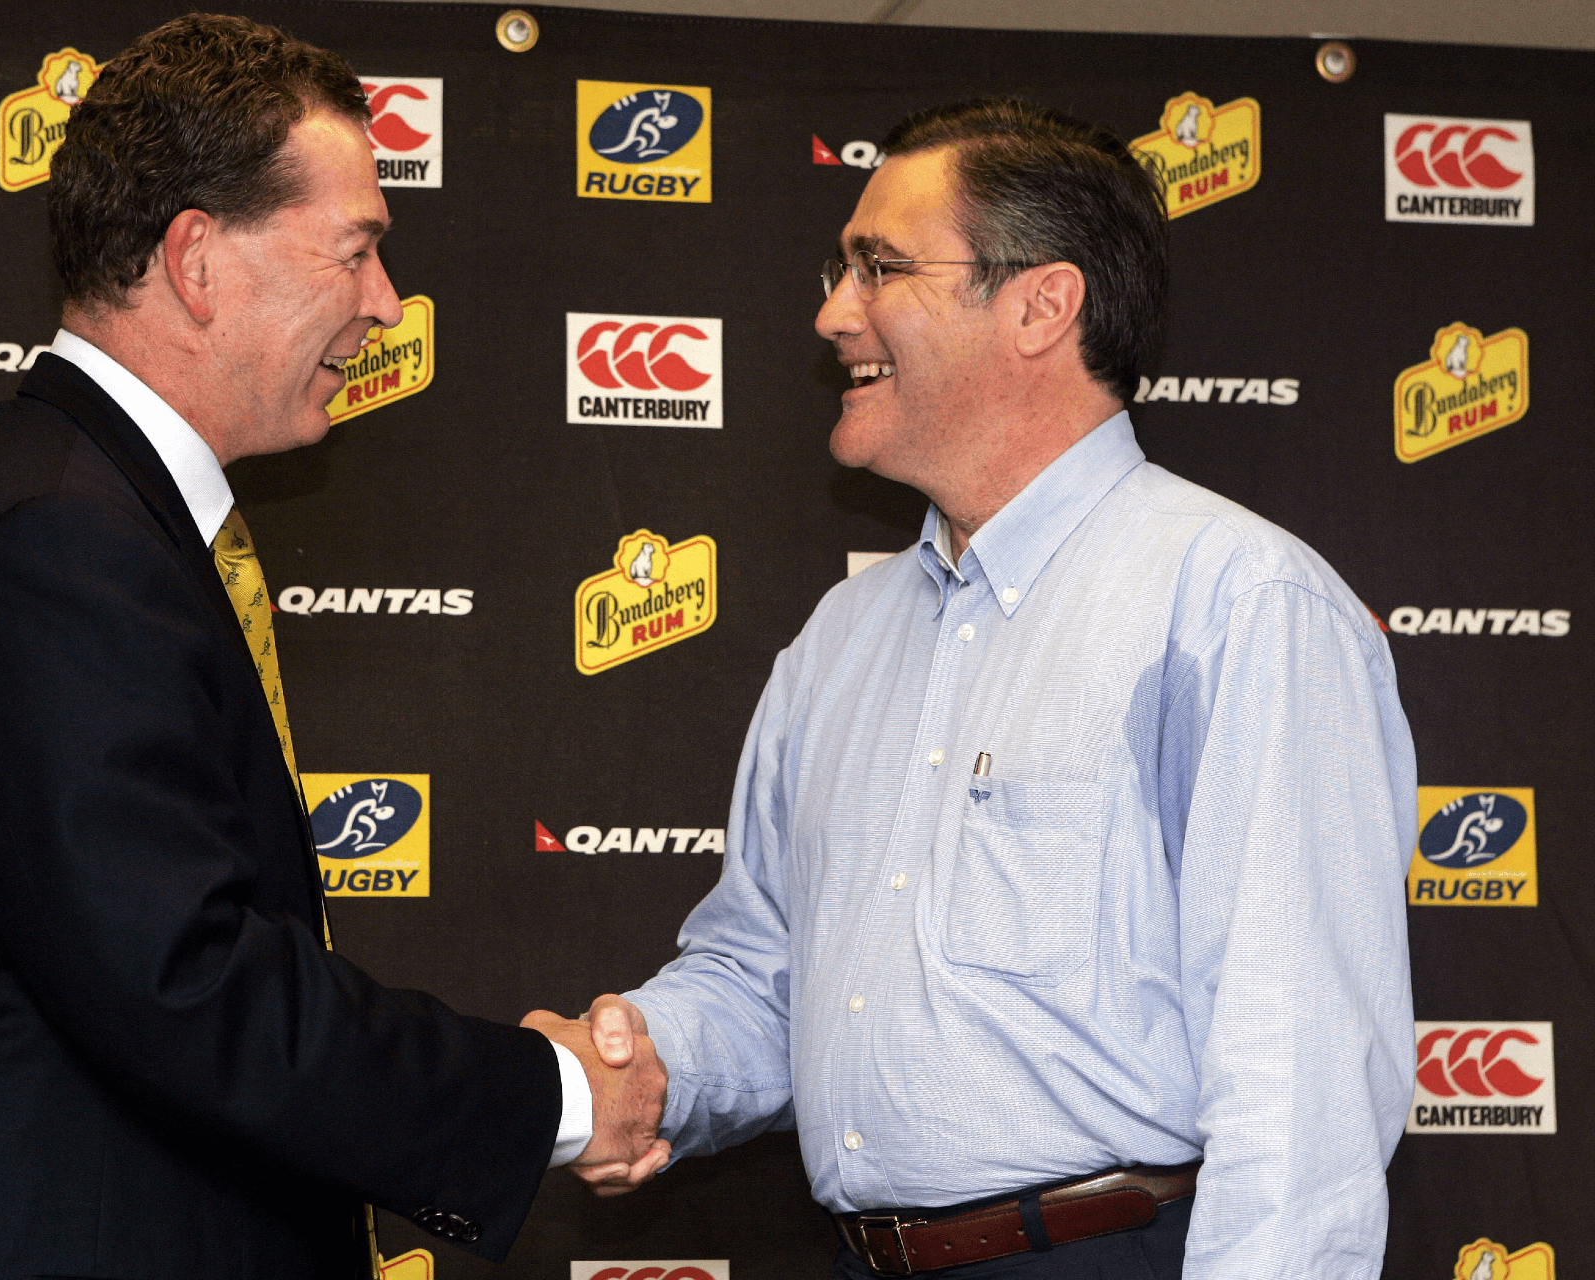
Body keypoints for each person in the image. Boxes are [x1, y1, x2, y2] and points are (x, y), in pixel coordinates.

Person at [0, 16, 664, 1280]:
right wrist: (551, 1092)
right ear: (197, 258)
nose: (387, 304)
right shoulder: (60, 537)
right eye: (359, 251)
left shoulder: (77, 504)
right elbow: (189, 983)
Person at [577, 99, 1417, 1277]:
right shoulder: (840, 639)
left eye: (880, 267)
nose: (831, 314)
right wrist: (627, 1065)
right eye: (840, 268)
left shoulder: (1239, 603)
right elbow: (768, 980)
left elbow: (1304, 1078)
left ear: (1041, 304)